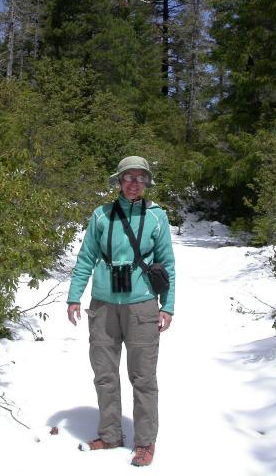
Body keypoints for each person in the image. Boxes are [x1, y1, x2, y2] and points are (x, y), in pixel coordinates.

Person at [67, 156, 175, 467]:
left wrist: (167, 305)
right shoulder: (101, 215)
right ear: (119, 181)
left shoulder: (156, 217)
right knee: (104, 374)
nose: (133, 182)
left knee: (143, 377)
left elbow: (167, 265)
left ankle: (145, 442)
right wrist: (74, 297)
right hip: (102, 305)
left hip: (142, 305)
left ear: (146, 182)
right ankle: (110, 434)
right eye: (128, 177)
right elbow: (86, 258)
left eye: (140, 177)